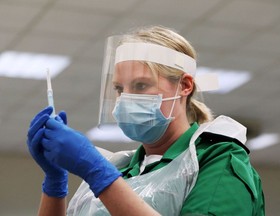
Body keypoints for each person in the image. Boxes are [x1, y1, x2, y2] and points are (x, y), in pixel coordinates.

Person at [27, 26, 265, 215]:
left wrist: (98, 174)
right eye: (120, 89)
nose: (126, 99)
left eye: (141, 85)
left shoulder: (217, 160)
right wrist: (55, 184)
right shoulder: (121, 169)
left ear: (184, 86)